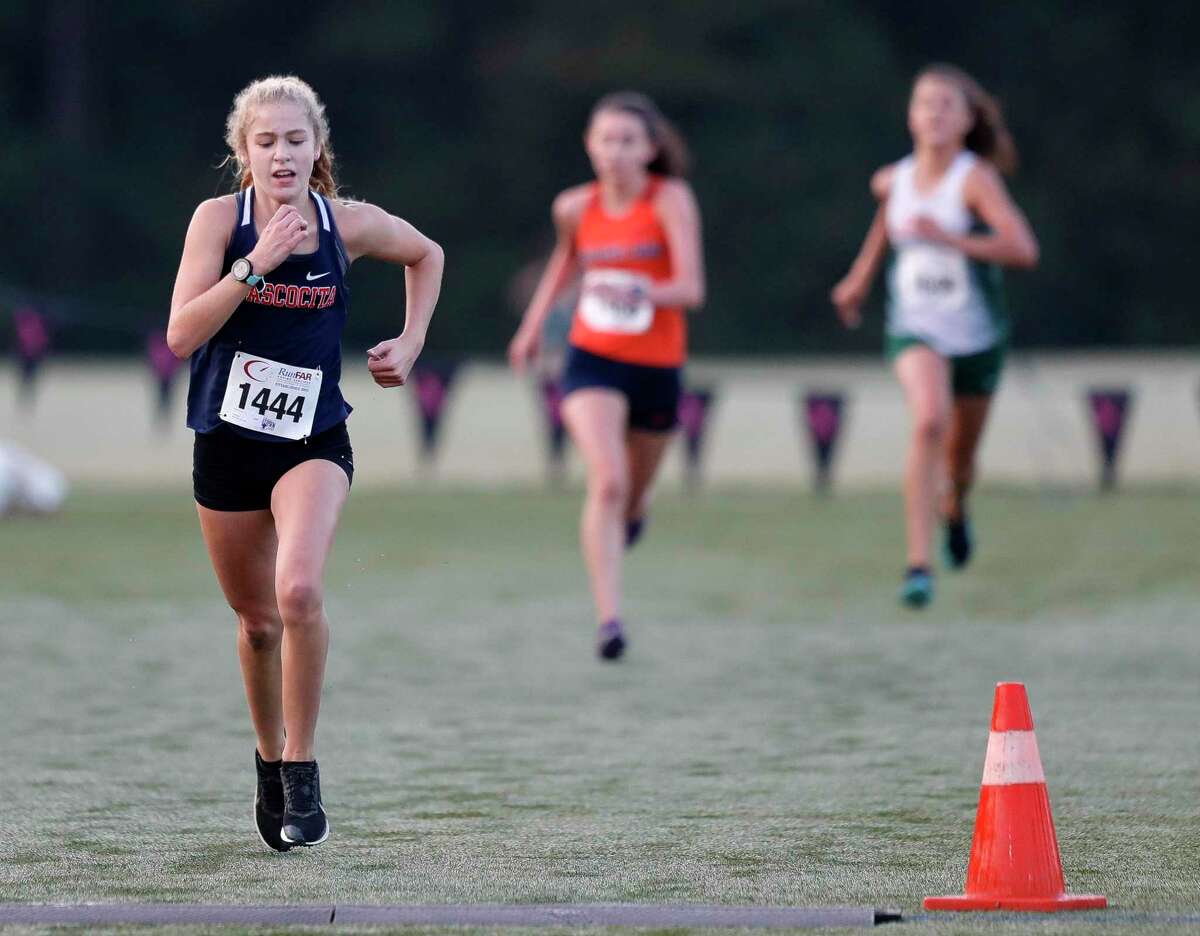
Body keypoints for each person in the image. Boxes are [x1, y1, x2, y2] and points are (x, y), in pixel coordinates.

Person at [167, 75, 443, 849]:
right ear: (243, 152)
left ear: (318, 149)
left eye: (296, 140)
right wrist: (254, 264)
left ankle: (302, 766)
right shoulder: (218, 223)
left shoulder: (345, 225)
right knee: (256, 625)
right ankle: (266, 758)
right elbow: (182, 336)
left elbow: (427, 254)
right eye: (267, 142)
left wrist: (411, 341)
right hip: (226, 448)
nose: (282, 154)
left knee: (298, 590)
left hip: (314, 442)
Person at [831, 64, 1038, 608]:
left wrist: (953, 239)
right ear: (911, 116)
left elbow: (1023, 249)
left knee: (962, 462)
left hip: (975, 336)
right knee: (928, 419)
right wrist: (859, 278)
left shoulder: (974, 180)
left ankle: (956, 507)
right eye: (926, 104)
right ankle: (918, 566)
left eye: (948, 105)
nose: (935, 114)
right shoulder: (891, 179)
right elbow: (886, 221)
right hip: (914, 326)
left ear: (968, 120)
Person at [508, 92, 705, 660]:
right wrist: (533, 325)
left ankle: (635, 514)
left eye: (628, 141)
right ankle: (609, 620)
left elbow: (691, 289)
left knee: (632, 495)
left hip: (658, 367)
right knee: (608, 479)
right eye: (605, 139)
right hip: (591, 359)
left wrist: (633, 288)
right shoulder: (574, 206)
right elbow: (565, 261)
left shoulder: (670, 200)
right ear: (589, 146)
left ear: (649, 150)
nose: (615, 151)